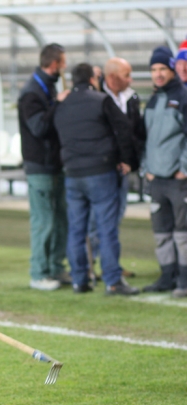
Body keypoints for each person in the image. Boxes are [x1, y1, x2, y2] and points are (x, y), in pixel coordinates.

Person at [53, 63, 139, 296]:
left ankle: (79, 280)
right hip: (101, 172)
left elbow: (54, 132)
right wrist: (125, 159)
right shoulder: (101, 100)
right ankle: (113, 281)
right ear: (92, 78)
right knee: (106, 229)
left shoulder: (62, 105)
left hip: (73, 175)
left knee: (76, 230)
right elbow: (122, 130)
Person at [86, 57, 146, 281]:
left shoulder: (132, 98)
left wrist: (131, 160)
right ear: (111, 77)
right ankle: (90, 266)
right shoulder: (97, 99)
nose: (131, 79)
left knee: (114, 220)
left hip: (123, 169)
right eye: (126, 75)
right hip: (102, 170)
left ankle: (110, 265)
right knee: (96, 221)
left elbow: (135, 133)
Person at [17, 43, 71, 291]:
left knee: (60, 221)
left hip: (54, 165)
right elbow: (38, 127)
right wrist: (58, 104)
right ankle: (38, 273)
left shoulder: (47, 88)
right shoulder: (31, 93)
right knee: (44, 222)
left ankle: (55, 268)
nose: (65, 68)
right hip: (39, 166)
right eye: (63, 63)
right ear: (55, 64)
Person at [141, 46, 187, 298]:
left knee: (183, 233)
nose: (158, 74)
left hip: (178, 180)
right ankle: (166, 276)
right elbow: (145, 139)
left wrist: (184, 169)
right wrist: (147, 169)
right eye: (153, 70)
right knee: (161, 231)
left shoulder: (183, 97)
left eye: (162, 69)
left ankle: (184, 279)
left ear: (171, 70)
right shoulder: (153, 100)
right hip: (156, 179)